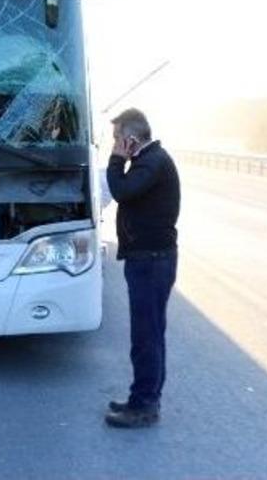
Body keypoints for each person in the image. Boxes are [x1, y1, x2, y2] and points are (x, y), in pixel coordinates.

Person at [104, 108, 181, 428]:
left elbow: (120, 191)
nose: (115, 144)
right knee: (151, 333)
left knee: (146, 336)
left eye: (117, 138)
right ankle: (144, 398)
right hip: (151, 258)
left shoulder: (151, 161)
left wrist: (114, 160)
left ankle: (144, 406)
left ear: (130, 139)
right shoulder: (150, 160)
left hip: (150, 261)